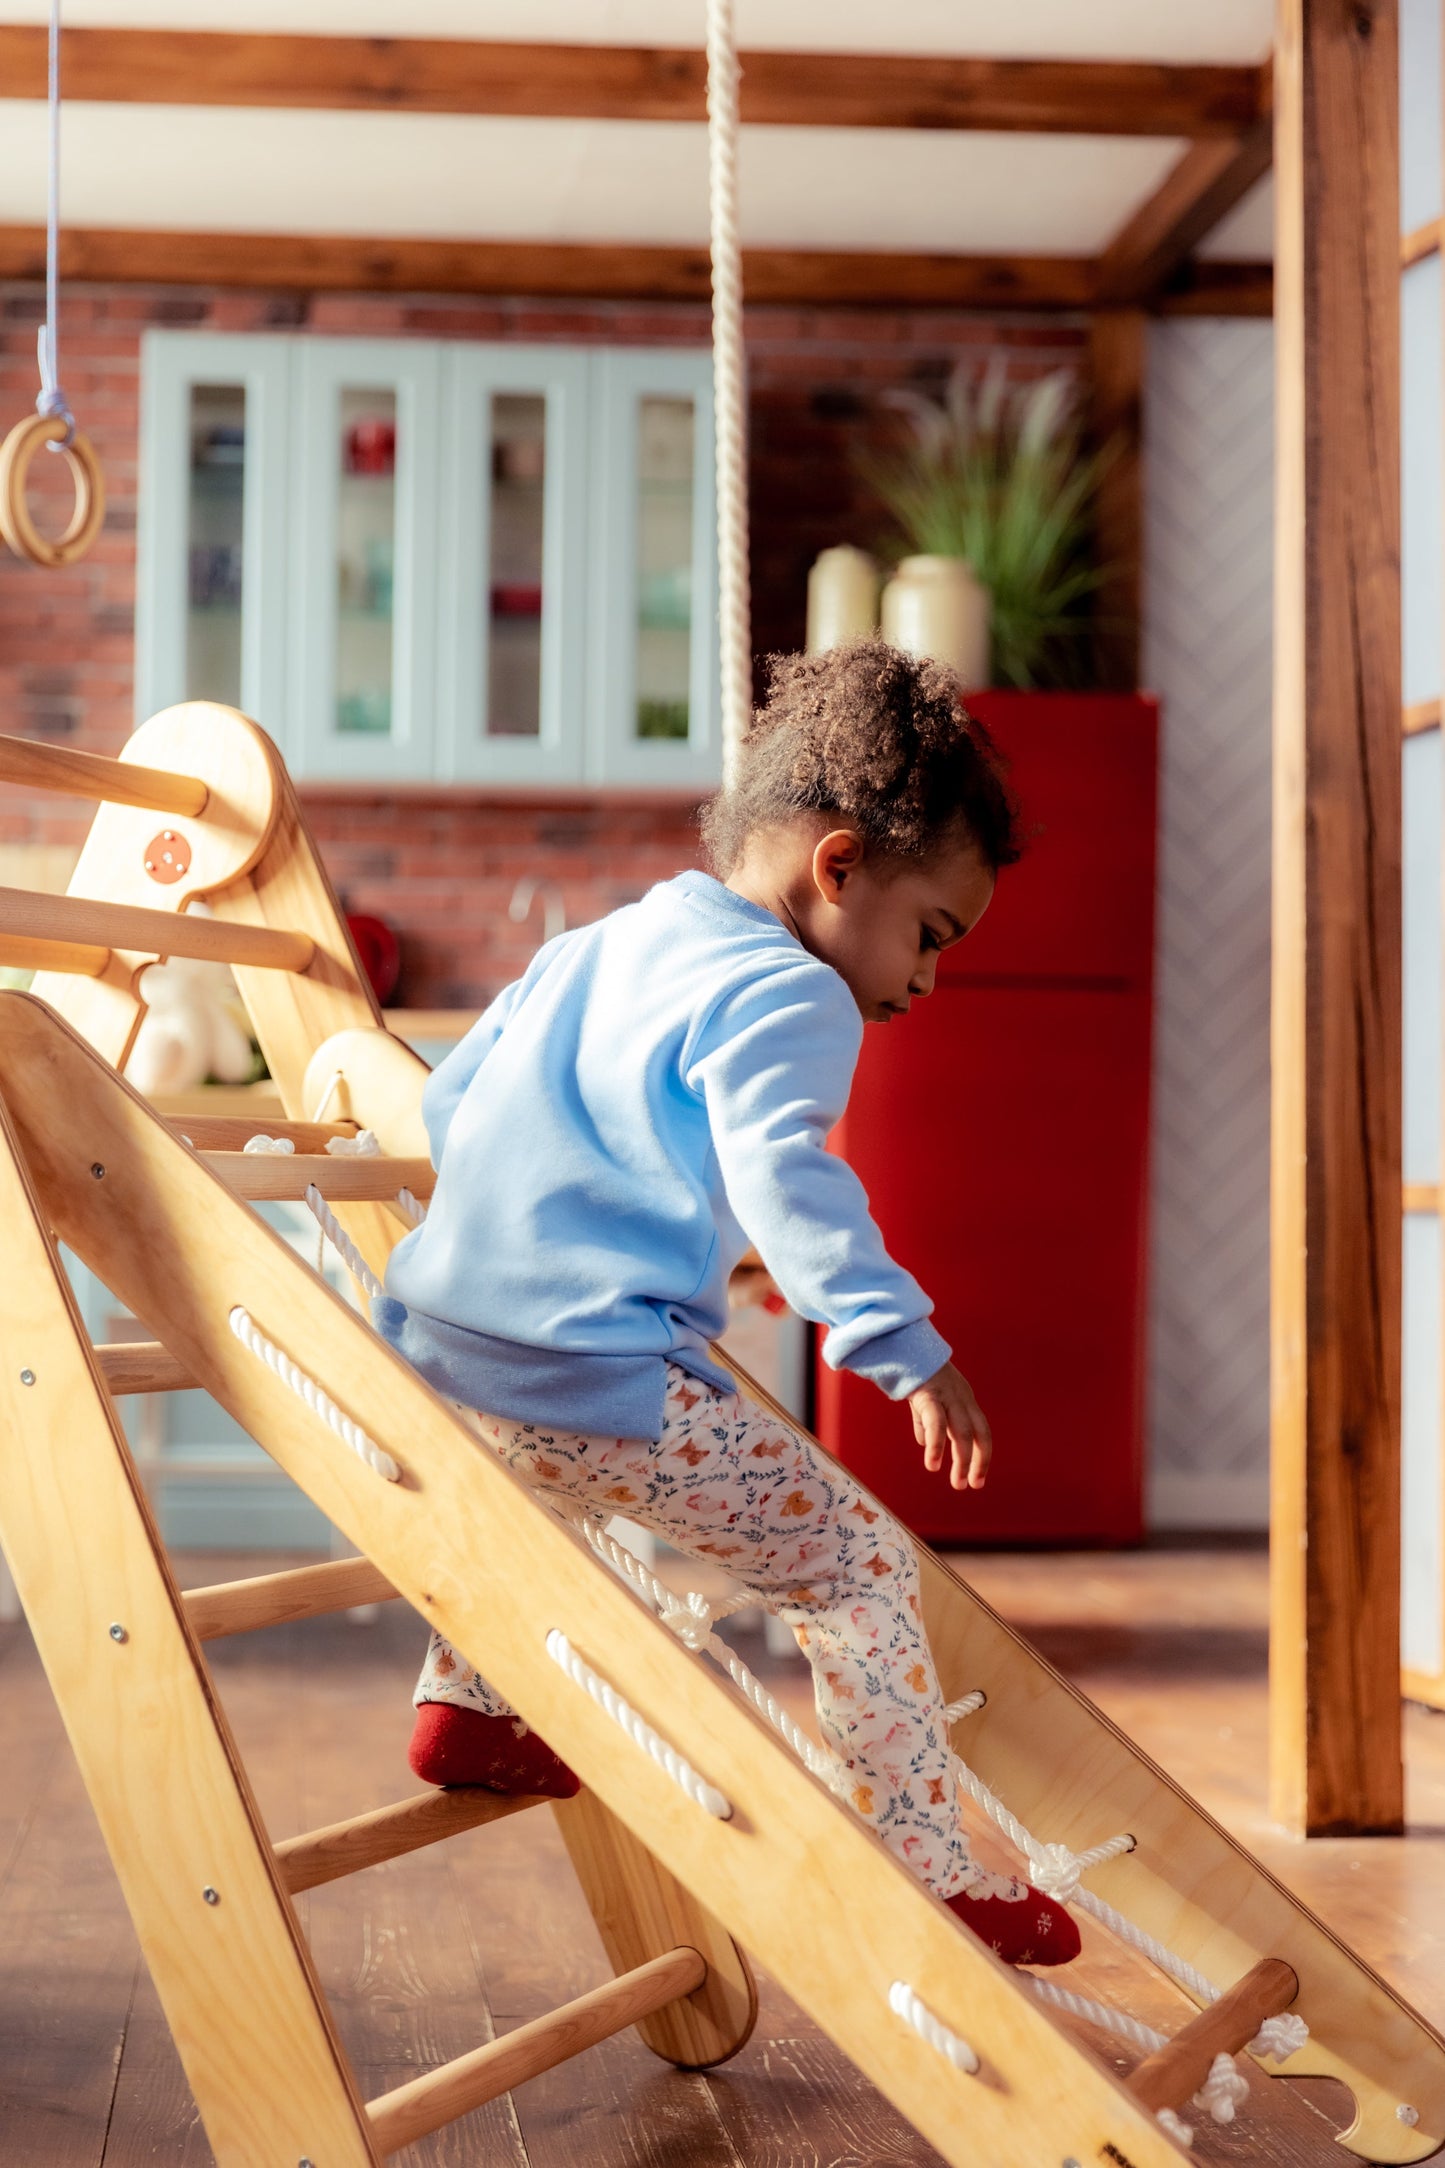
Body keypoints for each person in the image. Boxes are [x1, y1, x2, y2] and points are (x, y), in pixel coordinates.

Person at [373, 637, 1078, 1967]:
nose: (925, 981)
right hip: (586, 1371)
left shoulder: (602, 941)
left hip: (442, 1346)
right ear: (836, 868)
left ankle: (464, 1705)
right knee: (856, 1566)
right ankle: (920, 1869)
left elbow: (455, 1096)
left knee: (552, 1497)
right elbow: (792, 1184)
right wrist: (902, 1350)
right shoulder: (790, 990)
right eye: (929, 936)